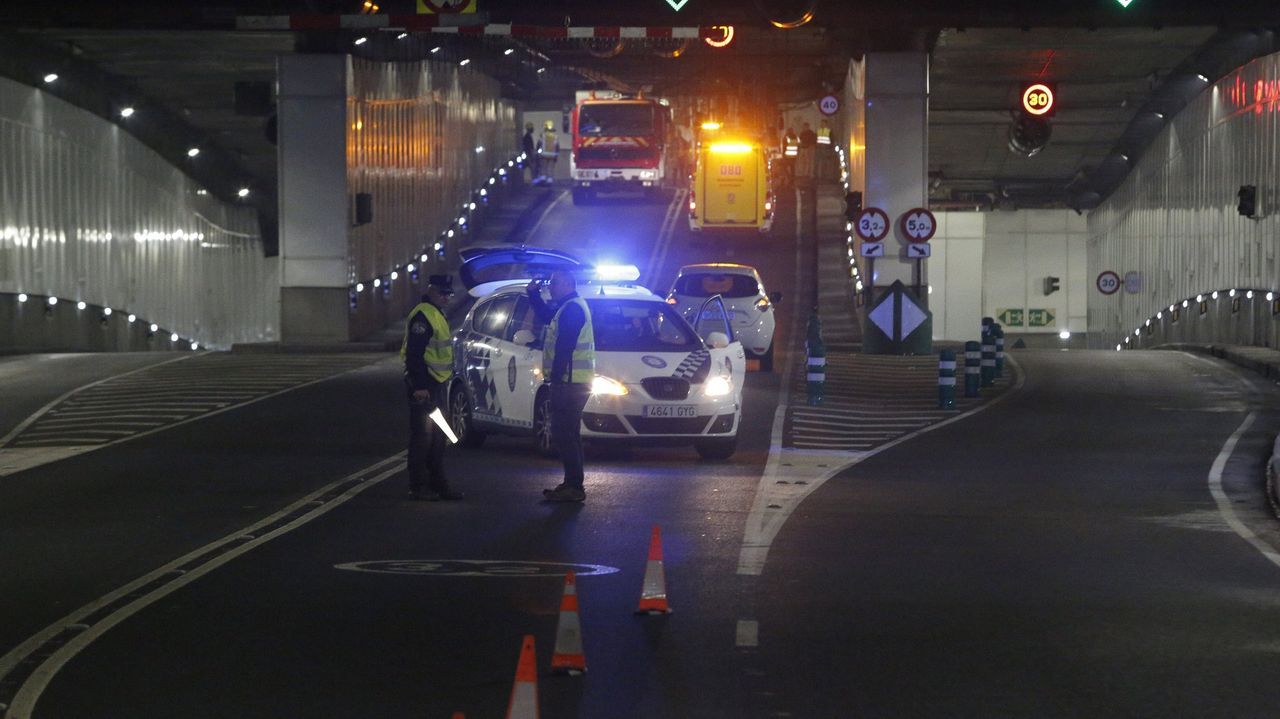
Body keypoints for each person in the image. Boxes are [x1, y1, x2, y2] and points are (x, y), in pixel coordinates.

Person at [526, 271, 595, 503]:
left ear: (567, 283)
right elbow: (547, 316)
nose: (551, 287)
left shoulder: (572, 309)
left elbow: (565, 346)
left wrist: (556, 377)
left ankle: (574, 486)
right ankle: (572, 483)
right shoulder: (568, 307)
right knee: (569, 433)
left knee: (564, 433)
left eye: (554, 283)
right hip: (574, 381)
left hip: (569, 382)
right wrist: (533, 295)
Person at [401, 275, 464, 502]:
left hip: (437, 384)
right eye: (442, 293)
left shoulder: (436, 313)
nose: (446, 297)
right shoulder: (423, 315)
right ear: (431, 291)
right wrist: (419, 386)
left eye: (449, 294)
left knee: (438, 437)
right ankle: (418, 487)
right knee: (423, 438)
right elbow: (414, 355)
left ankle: (438, 485)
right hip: (425, 386)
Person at [536, 119, 559, 183]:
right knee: (550, 168)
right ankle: (550, 179)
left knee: (544, 167)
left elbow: (538, 145)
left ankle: (543, 178)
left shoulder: (542, 135)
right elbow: (557, 146)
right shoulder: (555, 136)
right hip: (552, 155)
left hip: (544, 155)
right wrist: (556, 155)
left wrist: (538, 153)